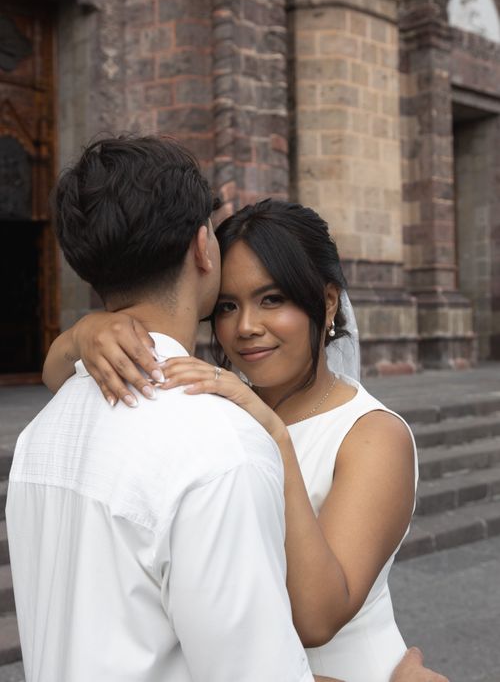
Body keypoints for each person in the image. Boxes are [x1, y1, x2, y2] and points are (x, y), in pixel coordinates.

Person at [41, 168, 444, 682]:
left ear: (326, 302)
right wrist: (88, 332)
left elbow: (317, 618)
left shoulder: (372, 435)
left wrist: (276, 438)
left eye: (272, 299)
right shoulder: (216, 401)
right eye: (228, 306)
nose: (246, 327)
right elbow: (57, 377)